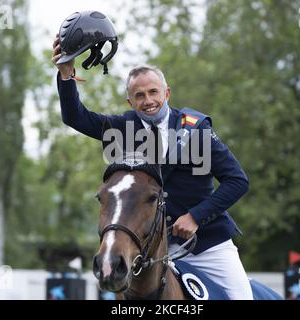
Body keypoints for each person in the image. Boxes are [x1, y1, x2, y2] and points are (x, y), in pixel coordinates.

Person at [52, 37, 253, 300]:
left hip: (208, 246)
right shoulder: (123, 129)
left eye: (153, 92)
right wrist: (66, 74)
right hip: (151, 251)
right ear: (130, 102)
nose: (148, 101)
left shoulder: (196, 128)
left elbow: (237, 180)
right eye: (139, 95)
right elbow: (75, 117)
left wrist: (195, 217)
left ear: (166, 93)